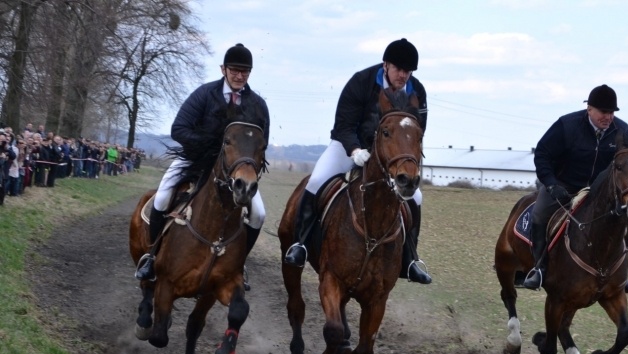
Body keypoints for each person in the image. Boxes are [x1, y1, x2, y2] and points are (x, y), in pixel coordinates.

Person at [283, 38, 431, 284]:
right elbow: (343, 124)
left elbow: (417, 131)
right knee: (317, 180)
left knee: (415, 197)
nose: (403, 75)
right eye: (399, 69)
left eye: (408, 71)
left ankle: (410, 259)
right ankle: (301, 244)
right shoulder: (361, 82)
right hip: (348, 146)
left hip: (388, 157)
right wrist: (355, 150)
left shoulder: (417, 91)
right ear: (386, 65)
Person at [135, 43, 270, 285]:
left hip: (233, 170)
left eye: (245, 71)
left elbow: (262, 141)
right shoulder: (204, 94)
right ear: (223, 69)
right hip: (194, 159)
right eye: (235, 70)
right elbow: (178, 129)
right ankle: (151, 257)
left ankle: (239, 265)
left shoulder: (257, 105)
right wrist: (209, 143)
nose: (240, 76)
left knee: (259, 213)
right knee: (163, 196)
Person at [523, 84, 628, 293]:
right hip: (563, 186)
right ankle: (539, 269)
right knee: (539, 214)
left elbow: (627, 161)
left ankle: (624, 271)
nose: (608, 117)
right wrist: (551, 184)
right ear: (589, 109)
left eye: (612, 112)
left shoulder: (621, 130)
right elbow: (542, 154)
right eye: (604, 112)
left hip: (599, 191)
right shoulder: (567, 125)